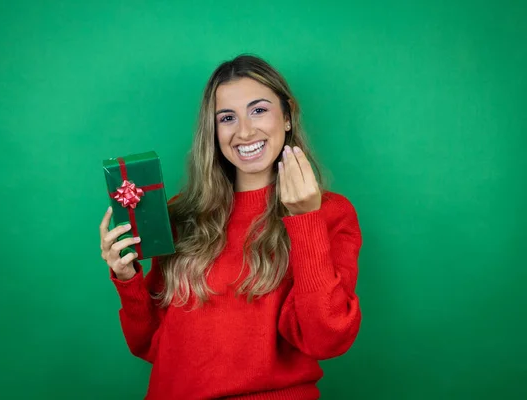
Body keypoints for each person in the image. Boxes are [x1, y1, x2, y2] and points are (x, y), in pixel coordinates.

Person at [99, 54, 362, 400]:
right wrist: (127, 278)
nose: (245, 131)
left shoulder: (330, 213)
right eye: (227, 117)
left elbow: (325, 339)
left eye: (259, 110)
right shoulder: (181, 213)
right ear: (213, 131)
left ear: (287, 116)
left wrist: (305, 220)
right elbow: (149, 344)